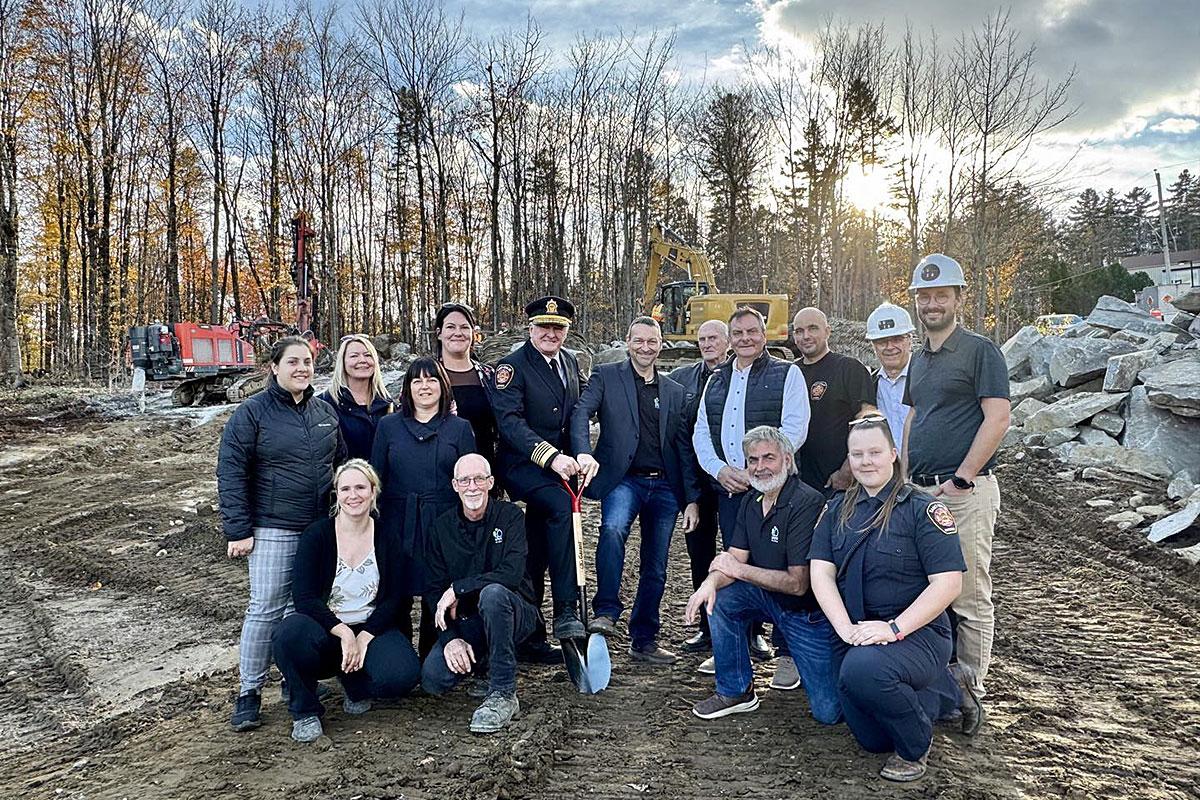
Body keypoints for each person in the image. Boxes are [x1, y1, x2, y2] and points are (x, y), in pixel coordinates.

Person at [809, 416, 978, 781]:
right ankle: (946, 691)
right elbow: (820, 572)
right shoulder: (837, 509)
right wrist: (844, 628)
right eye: (857, 454)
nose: (866, 461)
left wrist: (893, 629)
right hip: (858, 634)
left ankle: (916, 747)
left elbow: (948, 584)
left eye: (874, 452)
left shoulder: (923, 510)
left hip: (918, 634)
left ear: (894, 454)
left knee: (863, 672)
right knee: (870, 739)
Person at [902, 253, 1010, 730]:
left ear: (958, 299)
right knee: (927, 591)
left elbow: (998, 418)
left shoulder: (980, 351)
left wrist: (963, 478)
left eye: (940, 295)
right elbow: (913, 418)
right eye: (924, 297)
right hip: (923, 494)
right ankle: (940, 684)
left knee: (966, 594)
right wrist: (901, 478)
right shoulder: (918, 358)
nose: (931, 304)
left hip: (964, 493)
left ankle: (971, 692)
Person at [218, 336, 341, 732]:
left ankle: (295, 682)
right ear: (274, 367)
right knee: (266, 609)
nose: (302, 368)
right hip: (272, 526)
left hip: (317, 529)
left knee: (301, 610)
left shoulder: (325, 412)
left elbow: (341, 467)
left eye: (307, 361)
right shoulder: (252, 413)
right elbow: (231, 471)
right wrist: (238, 529)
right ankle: (249, 692)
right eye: (293, 362)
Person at [684, 426, 839, 724]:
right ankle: (736, 691)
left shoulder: (807, 501)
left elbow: (797, 584)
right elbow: (734, 558)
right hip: (768, 598)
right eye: (752, 460)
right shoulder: (751, 501)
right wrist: (709, 584)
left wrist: (735, 569)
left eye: (769, 458)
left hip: (804, 613)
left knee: (829, 712)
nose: (760, 467)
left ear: (788, 460)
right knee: (722, 599)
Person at [571, 317, 701, 665]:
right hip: (624, 479)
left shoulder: (673, 391)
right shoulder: (606, 376)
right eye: (639, 340)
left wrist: (691, 499)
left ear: (661, 345)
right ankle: (607, 609)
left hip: (664, 487)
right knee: (612, 530)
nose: (646, 347)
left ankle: (644, 638)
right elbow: (582, 411)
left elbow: (683, 447)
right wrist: (583, 452)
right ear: (627, 342)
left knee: (656, 564)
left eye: (653, 341)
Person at [692, 306, 810, 681]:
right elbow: (701, 432)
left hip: (774, 488)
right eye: (738, 333)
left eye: (752, 332)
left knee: (782, 567)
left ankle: (788, 653)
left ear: (765, 334)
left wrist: (759, 469)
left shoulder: (787, 374)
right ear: (730, 338)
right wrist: (721, 469)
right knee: (736, 565)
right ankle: (737, 644)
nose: (745, 339)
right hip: (731, 489)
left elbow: (795, 427)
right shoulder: (716, 380)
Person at [272, 459, 421, 742]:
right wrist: (343, 633)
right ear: (337, 494)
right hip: (327, 631)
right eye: (346, 489)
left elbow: (396, 598)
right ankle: (305, 711)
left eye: (361, 487)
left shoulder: (387, 534)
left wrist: (363, 636)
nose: (354, 495)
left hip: (371, 628)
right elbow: (303, 597)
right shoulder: (317, 535)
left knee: (401, 675)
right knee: (288, 635)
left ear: (373, 491)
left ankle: (355, 682)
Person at [490, 296, 587, 648]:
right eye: (544, 326)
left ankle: (530, 632)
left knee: (538, 540)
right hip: (524, 465)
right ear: (530, 328)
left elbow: (582, 407)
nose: (551, 333)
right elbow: (510, 423)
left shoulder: (571, 363)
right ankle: (565, 610)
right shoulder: (512, 367)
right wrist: (550, 457)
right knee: (561, 508)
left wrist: (585, 454)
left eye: (558, 327)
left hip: (563, 467)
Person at [421, 454, 539, 734]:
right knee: (433, 679)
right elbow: (434, 591)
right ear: (454, 485)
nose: (472, 486)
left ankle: (503, 692)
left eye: (478, 479)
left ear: (491, 482)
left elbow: (510, 574)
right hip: (469, 621)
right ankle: (482, 660)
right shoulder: (441, 527)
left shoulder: (510, 517)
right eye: (465, 480)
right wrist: (451, 640)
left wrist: (459, 588)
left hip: (515, 612)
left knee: (493, 594)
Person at [371, 357, 476, 658]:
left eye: (431, 379)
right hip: (396, 520)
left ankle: (436, 654)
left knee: (439, 589)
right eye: (417, 380)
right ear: (407, 388)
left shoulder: (459, 428)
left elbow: (471, 481)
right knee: (396, 591)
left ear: (443, 386)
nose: (424, 386)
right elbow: (376, 478)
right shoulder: (388, 426)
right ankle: (399, 656)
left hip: (443, 522)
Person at [670, 319, 730, 654]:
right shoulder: (683, 380)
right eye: (702, 339)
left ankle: (751, 632)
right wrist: (690, 496)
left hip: (737, 484)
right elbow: (681, 440)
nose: (708, 344)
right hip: (700, 485)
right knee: (700, 556)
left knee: (742, 556)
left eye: (714, 338)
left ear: (727, 341)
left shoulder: (742, 376)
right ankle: (707, 630)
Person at [792, 307, 876, 493]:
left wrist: (847, 471)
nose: (805, 336)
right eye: (799, 331)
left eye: (813, 328)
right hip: (800, 485)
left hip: (838, 484)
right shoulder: (790, 373)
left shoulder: (848, 368)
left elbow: (868, 423)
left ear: (828, 331)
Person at [434, 303, 500, 482]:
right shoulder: (427, 376)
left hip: (482, 473)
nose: (458, 333)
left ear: (473, 334)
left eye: (464, 327)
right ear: (439, 333)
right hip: (438, 474)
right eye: (450, 327)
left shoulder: (489, 375)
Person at [320, 334, 393, 462]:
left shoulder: (388, 404)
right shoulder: (324, 404)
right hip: (345, 480)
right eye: (354, 356)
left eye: (368, 355)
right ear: (342, 362)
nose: (362, 360)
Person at [865, 303, 915, 448]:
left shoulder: (928, 378)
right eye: (881, 341)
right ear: (873, 346)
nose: (890, 347)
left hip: (926, 468)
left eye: (897, 339)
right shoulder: (869, 386)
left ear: (910, 340)